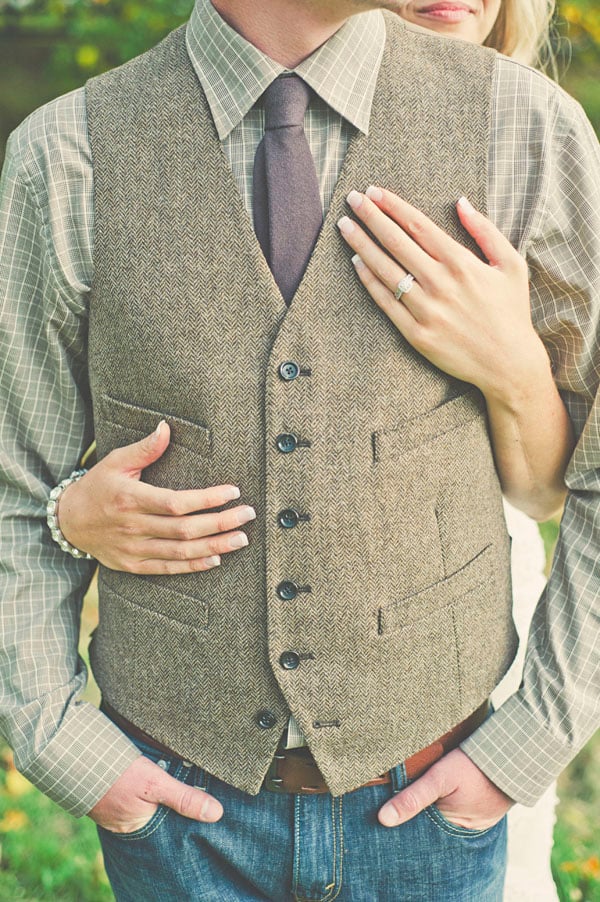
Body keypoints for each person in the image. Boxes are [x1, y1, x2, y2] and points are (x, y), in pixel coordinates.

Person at [0, 1, 599, 899]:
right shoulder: (66, 153)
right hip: (174, 821)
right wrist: (64, 747)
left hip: (432, 807)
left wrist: (524, 747)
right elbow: (16, 485)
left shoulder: (520, 124)